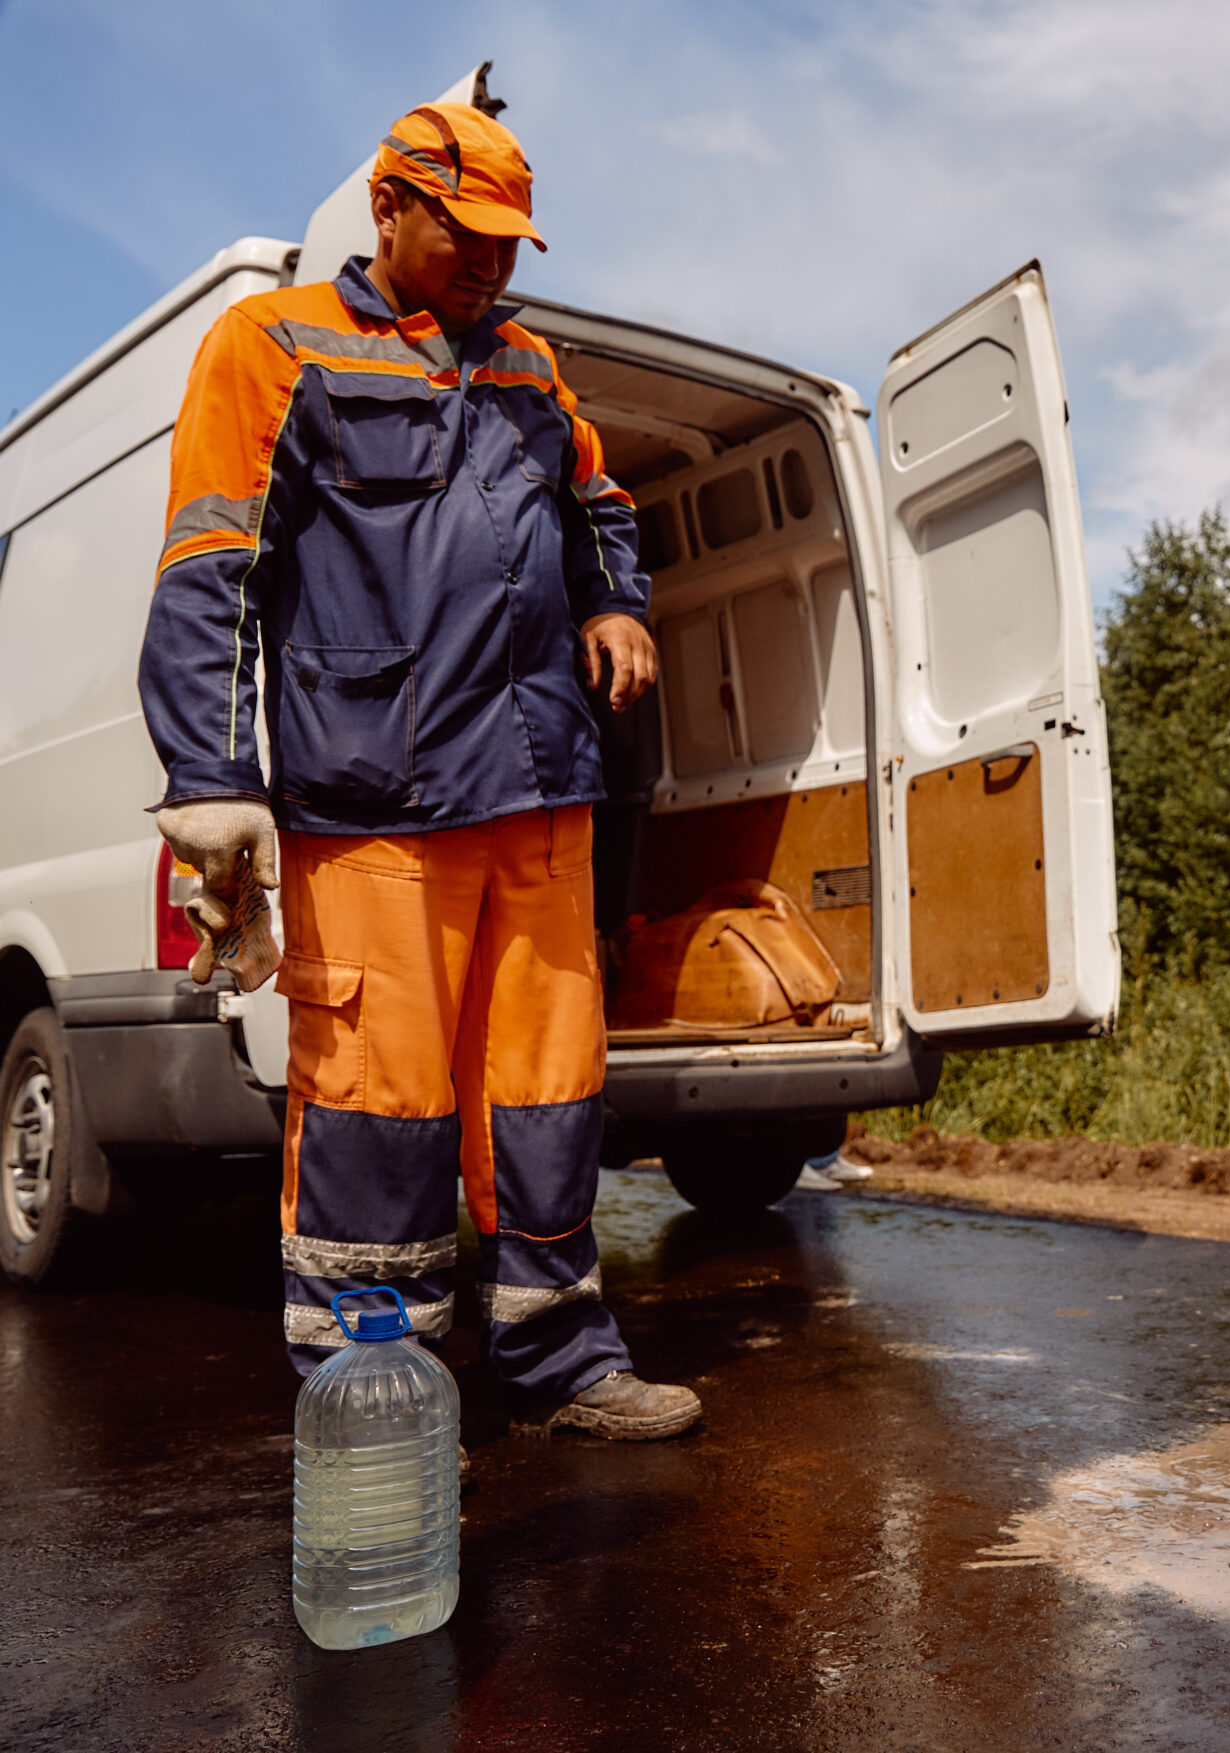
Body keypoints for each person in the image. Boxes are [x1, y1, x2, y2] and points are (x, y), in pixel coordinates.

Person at [139, 100, 701, 1441]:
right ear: (390, 207)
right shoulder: (271, 346)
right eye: (468, 234)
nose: (494, 265)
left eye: (513, 242)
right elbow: (211, 570)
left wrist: (616, 601)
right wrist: (216, 788)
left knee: (547, 1095)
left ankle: (563, 1359)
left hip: (541, 792)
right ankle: (372, 1399)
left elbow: (599, 505)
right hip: (374, 804)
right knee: (376, 1113)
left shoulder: (528, 366)